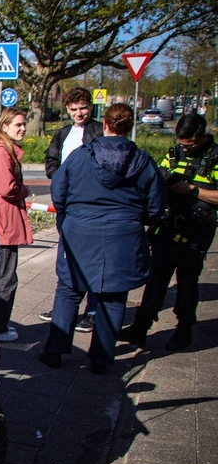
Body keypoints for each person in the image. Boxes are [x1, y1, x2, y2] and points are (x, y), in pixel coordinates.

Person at [38, 103, 167, 374]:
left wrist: (70, 219)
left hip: (80, 232)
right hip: (123, 236)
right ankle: (100, 358)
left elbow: (59, 193)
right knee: (114, 296)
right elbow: (156, 206)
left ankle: (54, 352)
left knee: (69, 290)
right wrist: (134, 221)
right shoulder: (144, 161)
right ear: (130, 127)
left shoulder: (80, 156)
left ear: (104, 124)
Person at [120, 112, 218, 350]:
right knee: (156, 277)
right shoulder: (174, 154)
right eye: (182, 144)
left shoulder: (215, 157)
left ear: (202, 137)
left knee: (187, 280)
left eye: (190, 145)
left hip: (197, 228)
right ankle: (140, 327)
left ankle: (184, 330)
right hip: (169, 223)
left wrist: (193, 190)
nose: (185, 149)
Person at [39, 87, 106, 331]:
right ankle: (65, 307)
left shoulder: (99, 131)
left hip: (90, 205)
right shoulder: (63, 133)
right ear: (67, 109)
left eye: (83, 108)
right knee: (68, 258)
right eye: (74, 109)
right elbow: (51, 160)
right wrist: (59, 179)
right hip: (67, 204)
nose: (79, 113)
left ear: (91, 107)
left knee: (94, 259)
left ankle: (93, 310)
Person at [0, 107, 32, 342]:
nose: (23, 129)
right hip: (5, 223)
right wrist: (25, 190)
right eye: (18, 124)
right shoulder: (3, 152)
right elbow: (7, 188)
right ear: (4, 126)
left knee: (0, 276)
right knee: (7, 277)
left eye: (24, 124)